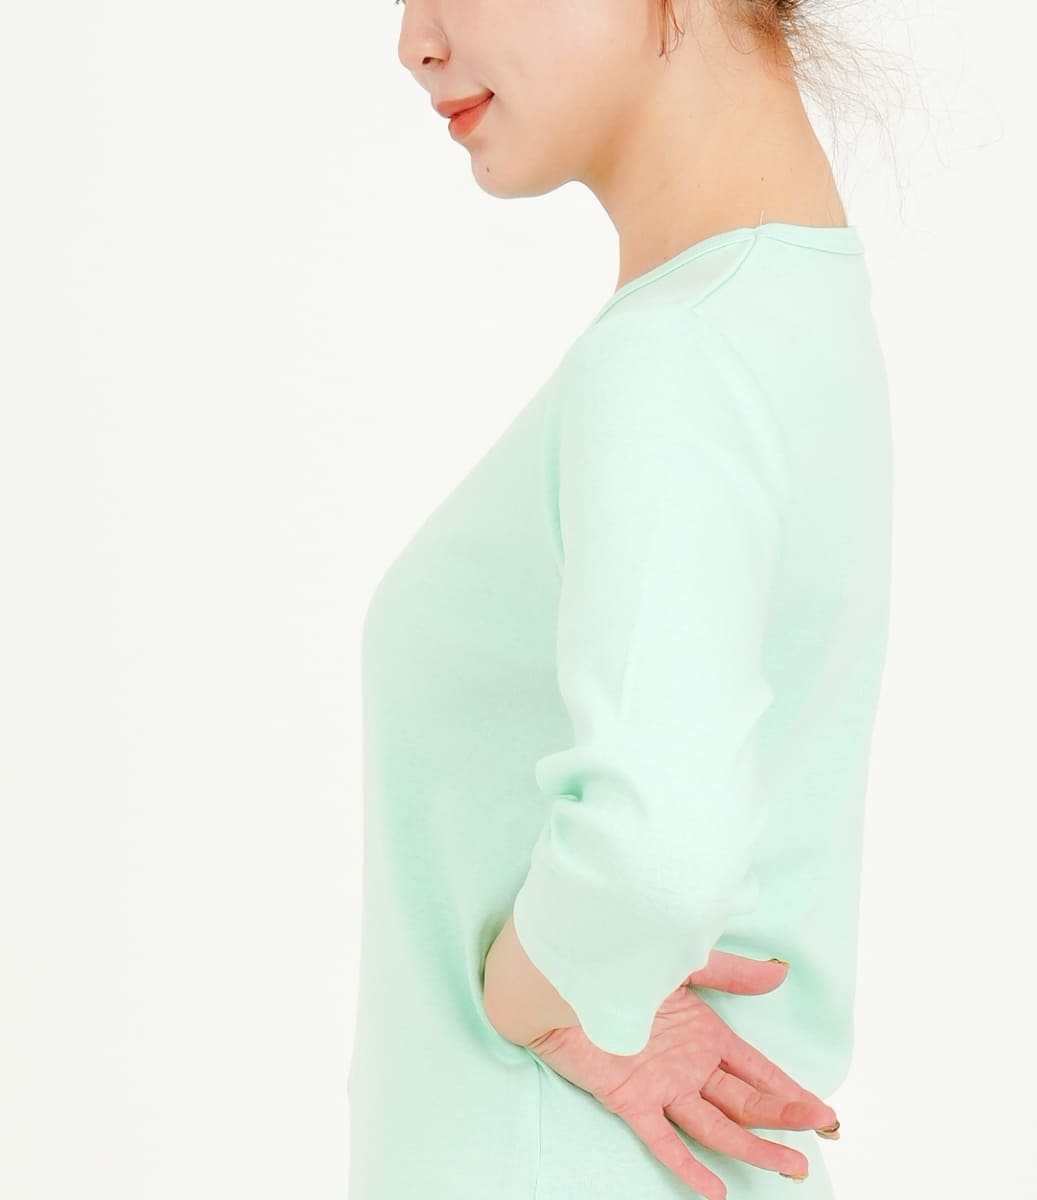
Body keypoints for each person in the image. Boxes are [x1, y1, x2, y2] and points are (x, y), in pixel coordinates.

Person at [346, 2, 892, 1198]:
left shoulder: (673, 356)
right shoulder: (783, 307)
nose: (414, 41)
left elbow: (658, 845)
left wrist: (539, 1001)